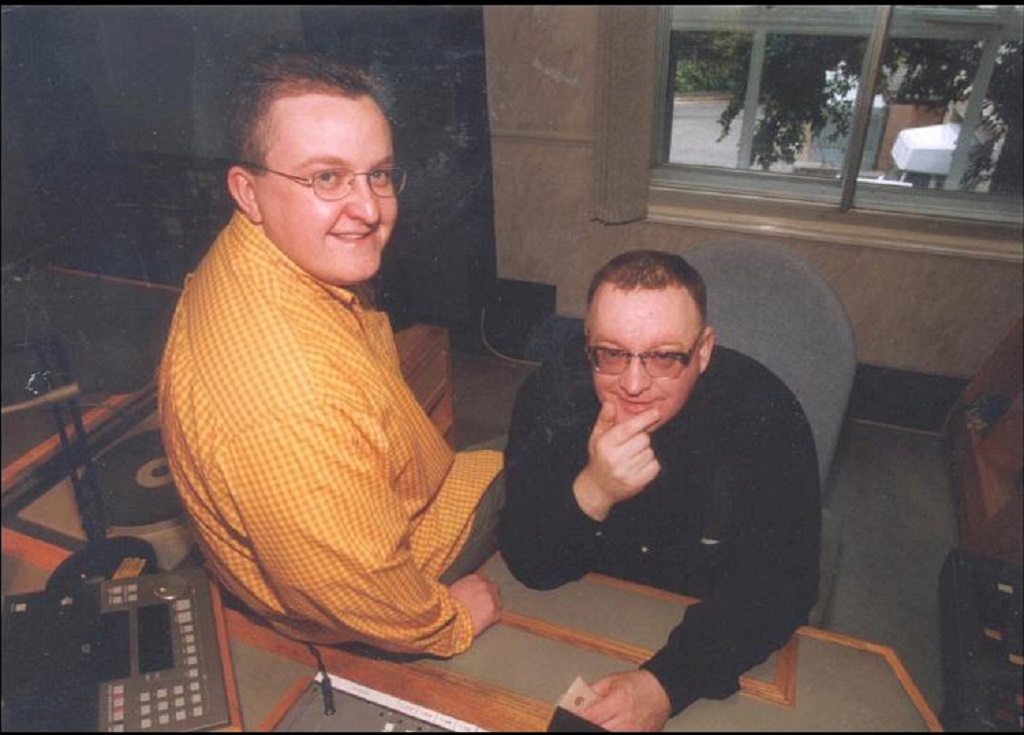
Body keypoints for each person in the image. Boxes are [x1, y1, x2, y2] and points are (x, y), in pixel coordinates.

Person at [158, 46, 503, 658]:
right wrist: (451, 623)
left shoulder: (263, 251)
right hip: (365, 588)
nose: (369, 209)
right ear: (248, 190)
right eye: (326, 177)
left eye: (378, 173)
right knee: (534, 459)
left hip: (358, 517)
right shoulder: (289, 398)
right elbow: (356, 587)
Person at [498, 250, 821, 731]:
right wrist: (593, 489)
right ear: (587, 343)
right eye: (610, 353)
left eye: (666, 357)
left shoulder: (766, 413)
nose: (633, 384)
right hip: (584, 615)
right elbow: (530, 565)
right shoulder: (551, 397)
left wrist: (665, 685)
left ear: (704, 350)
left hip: (709, 641)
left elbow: (780, 587)